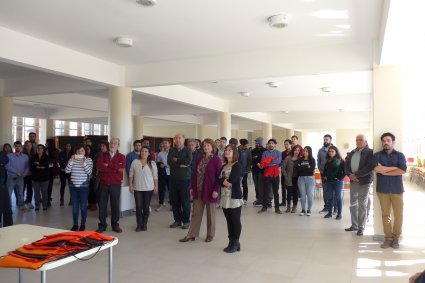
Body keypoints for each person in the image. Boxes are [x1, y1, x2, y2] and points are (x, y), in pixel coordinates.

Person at [180, 138, 222, 243]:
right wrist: (192, 188)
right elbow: (195, 175)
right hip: (198, 189)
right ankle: (192, 234)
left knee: (210, 214)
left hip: (210, 190)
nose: (206, 147)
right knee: (196, 213)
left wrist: (216, 190)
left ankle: (210, 235)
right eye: (204, 146)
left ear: (212, 147)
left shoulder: (217, 160)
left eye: (208, 145)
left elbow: (219, 177)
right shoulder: (199, 159)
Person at [373, 132, 406, 249]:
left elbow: (402, 171)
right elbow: (377, 169)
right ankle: (388, 238)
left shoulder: (400, 155)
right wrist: (394, 168)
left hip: (397, 189)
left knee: (398, 215)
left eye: (388, 140)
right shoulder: (377, 155)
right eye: (384, 141)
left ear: (393, 142)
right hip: (382, 190)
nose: (385, 142)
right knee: (385, 214)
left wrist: (384, 170)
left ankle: (396, 237)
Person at [344, 134, 374, 236]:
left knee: (362, 205)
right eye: (357, 140)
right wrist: (350, 175)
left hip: (364, 182)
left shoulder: (370, 152)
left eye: (361, 140)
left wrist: (356, 175)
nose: (358, 142)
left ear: (365, 141)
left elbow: (369, 167)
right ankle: (354, 225)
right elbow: (346, 165)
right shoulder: (353, 152)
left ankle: (361, 227)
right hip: (353, 182)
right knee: (353, 205)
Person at [96, 138, 126, 233]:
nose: (112, 145)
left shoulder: (121, 156)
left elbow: (121, 169)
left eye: (115, 143)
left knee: (115, 205)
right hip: (103, 184)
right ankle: (102, 225)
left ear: (118, 145)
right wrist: (114, 168)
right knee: (102, 204)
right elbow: (99, 167)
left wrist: (108, 165)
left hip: (115, 184)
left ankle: (115, 225)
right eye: (111, 143)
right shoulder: (102, 155)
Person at [219, 144, 242, 253]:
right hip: (224, 197)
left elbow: (230, 181)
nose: (227, 152)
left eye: (230, 150)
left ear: (234, 153)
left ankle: (236, 242)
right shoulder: (223, 166)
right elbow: (217, 180)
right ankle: (231, 241)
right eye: (226, 150)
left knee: (235, 220)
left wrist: (224, 181)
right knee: (229, 221)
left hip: (234, 197)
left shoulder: (237, 165)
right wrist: (224, 181)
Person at [129, 145, 158, 231]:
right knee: (138, 207)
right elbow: (131, 174)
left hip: (149, 188)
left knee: (146, 207)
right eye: (142, 151)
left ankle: (144, 224)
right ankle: (139, 224)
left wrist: (156, 186)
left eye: (146, 151)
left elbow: (155, 176)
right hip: (137, 188)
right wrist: (130, 185)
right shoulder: (135, 162)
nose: (143, 153)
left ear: (149, 153)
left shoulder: (152, 163)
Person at [66, 145, 93, 231]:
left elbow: (89, 172)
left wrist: (84, 162)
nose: (79, 152)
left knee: (83, 206)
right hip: (73, 186)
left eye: (82, 151)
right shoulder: (72, 159)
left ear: (85, 152)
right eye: (78, 151)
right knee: (75, 207)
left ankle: (82, 224)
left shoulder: (88, 160)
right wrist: (71, 161)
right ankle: (75, 224)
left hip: (83, 187)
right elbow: (67, 171)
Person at [168, 133, 192, 229]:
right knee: (175, 201)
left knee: (185, 201)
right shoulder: (172, 150)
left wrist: (176, 159)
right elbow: (169, 162)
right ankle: (177, 220)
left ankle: (186, 221)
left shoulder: (188, 150)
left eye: (179, 138)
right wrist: (179, 164)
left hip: (185, 179)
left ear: (183, 139)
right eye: (176, 138)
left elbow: (188, 162)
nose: (178, 140)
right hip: (173, 179)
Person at [258, 139, 282, 214]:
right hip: (267, 174)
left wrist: (268, 161)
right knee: (266, 191)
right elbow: (263, 163)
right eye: (270, 143)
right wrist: (272, 161)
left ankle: (277, 208)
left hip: (275, 174)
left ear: (275, 145)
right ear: (268, 144)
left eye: (273, 143)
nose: (271, 144)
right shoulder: (264, 153)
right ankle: (264, 207)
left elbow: (278, 161)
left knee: (276, 192)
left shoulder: (278, 152)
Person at [5, 141, 29, 211]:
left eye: (19, 146)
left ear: (21, 147)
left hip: (21, 178)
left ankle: (21, 206)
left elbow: (27, 166)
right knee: (9, 193)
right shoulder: (9, 156)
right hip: (11, 178)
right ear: (14, 147)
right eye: (16, 146)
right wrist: (17, 172)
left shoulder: (25, 156)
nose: (17, 147)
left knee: (20, 193)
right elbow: (7, 166)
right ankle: (8, 207)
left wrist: (25, 173)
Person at [323, 146, 345, 220]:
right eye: (329, 151)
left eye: (332, 151)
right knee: (329, 197)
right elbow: (325, 170)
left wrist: (339, 178)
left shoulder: (341, 160)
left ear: (336, 152)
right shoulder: (327, 160)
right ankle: (329, 213)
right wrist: (325, 176)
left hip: (337, 182)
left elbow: (345, 171)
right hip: (329, 182)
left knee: (338, 197)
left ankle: (339, 214)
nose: (331, 152)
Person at [296, 146, 316, 216]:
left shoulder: (312, 160)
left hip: (310, 179)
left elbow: (311, 170)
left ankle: (309, 210)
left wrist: (302, 167)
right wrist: (307, 167)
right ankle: (303, 209)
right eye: (304, 150)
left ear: (309, 152)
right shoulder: (300, 159)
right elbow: (297, 169)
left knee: (310, 195)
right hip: (301, 178)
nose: (305, 152)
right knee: (302, 195)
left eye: (307, 151)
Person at [282, 145, 302, 213]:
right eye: (296, 150)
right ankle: (288, 207)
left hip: (297, 178)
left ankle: (294, 207)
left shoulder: (300, 159)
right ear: (293, 150)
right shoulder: (288, 158)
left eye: (298, 150)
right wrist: (286, 176)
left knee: (295, 193)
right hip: (289, 178)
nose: (297, 151)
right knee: (289, 193)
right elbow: (283, 168)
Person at [30, 144, 50, 211]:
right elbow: (31, 166)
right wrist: (41, 166)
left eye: (41, 148)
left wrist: (38, 165)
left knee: (44, 192)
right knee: (36, 192)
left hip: (45, 178)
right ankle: (37, 206)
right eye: (38, 148)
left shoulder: (46, 157)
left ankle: (45, 205)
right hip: (35, 178)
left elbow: (47, 166)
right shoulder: (33, 157)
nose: (39, 149)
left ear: (43, 150)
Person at [251, 137, 269, 207]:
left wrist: (257, 158)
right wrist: (257, 162)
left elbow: (264, 159)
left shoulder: (265, 150)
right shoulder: (253, 150)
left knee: (261, 185)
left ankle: (263, 199)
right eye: (255, 142)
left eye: (257, 142)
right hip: (255, 170)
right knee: (256, 185)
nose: (256, 143)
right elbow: (253, 159)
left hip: (262, 170)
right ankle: (258, 198)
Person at [317, 134, 333, 213]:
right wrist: (321, 170)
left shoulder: (334, 149)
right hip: (323, 173)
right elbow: (318, 161)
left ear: (330, 140)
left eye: (327, 139)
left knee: (333, 190)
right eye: (324, 139)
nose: (325, 141)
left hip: (333, 174)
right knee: (325, 190)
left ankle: (334, 207)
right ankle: (326, 207)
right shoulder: (320, 150)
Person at [156, 139, 171, 211]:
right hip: (162, 173)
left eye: (166, 143)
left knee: (171, 190)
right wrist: (160, 164)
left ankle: (172, 205)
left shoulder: (173, 152)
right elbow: (157, 162)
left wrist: (170, 165)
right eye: (163, 143)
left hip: (171, 174)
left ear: (169, 144)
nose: (164, 145)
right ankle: (161, 203)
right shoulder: (160, 153)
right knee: (161, 189)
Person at [46, 138, 60, 207]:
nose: (46, 144)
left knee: (49, 185)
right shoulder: (45, 149)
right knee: (45, 186)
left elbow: (56, 159)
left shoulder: (55, 150)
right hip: (44, 170)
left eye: (47, 142)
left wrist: (47, 159)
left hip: (51, 170)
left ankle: (48, 199)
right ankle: (46, 198)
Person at [238, 139, 252, 205]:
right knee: (237, 185)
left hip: (245, 170)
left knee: (244, 185)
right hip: (237, 170)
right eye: (246, 145)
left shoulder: (248, 151)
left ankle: (245, 198)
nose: (247, 146)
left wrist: (248, 169)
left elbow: (249, 160)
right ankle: (238, 198)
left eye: (247, 145)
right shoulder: (237, 150)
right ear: (242, 145)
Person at [280, 139, 292, 207]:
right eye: (284, 144)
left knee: (289, 188)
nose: (285, 145)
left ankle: (289, 202)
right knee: (283, 188)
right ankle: (283, 202)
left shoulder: (293, 152)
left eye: (287, 144)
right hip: (283, 173)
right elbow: (281, 162)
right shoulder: (282, 153)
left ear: (290, 144)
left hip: (290, 174)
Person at [22, 141, 34, 209]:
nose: (29, 146)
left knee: (30, 188)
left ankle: (29, 201)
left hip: (31, 174)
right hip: (23, 173)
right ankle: (21, 202)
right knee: (22, 188)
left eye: (30, 145)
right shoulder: (23, 153)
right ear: (25, 146)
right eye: (27, 145)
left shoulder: (33, 153)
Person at [85, 145, 97, 211]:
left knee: (92, 191)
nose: (87, 150)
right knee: (88, 191)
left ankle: (94, 205)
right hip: (86, 178)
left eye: (88, 149)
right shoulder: (84, 157)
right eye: (86, 149)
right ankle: (89, 204)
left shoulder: (93, 157)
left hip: (92, 177)